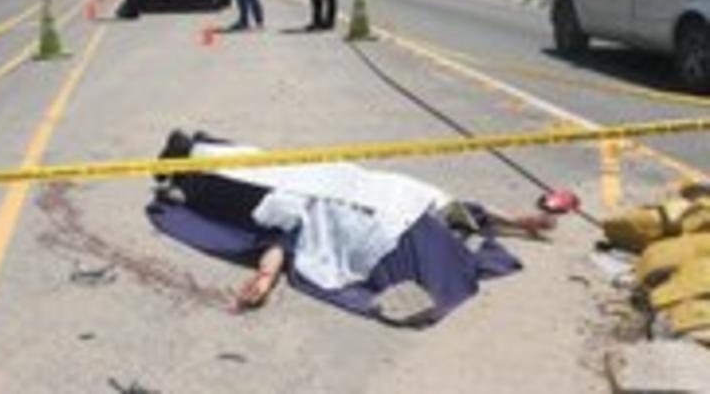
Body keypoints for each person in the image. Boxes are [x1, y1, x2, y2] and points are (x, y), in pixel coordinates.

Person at [148, 131, 555, 320]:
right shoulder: (427, 205)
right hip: (323, 188)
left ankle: (188, 167)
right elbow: (289, 231)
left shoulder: (432, 214)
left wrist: (266, 276)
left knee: (239, 188)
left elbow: (287, 235)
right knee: (253, 176)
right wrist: (265, 277)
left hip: (323, 190)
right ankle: (188, 159)